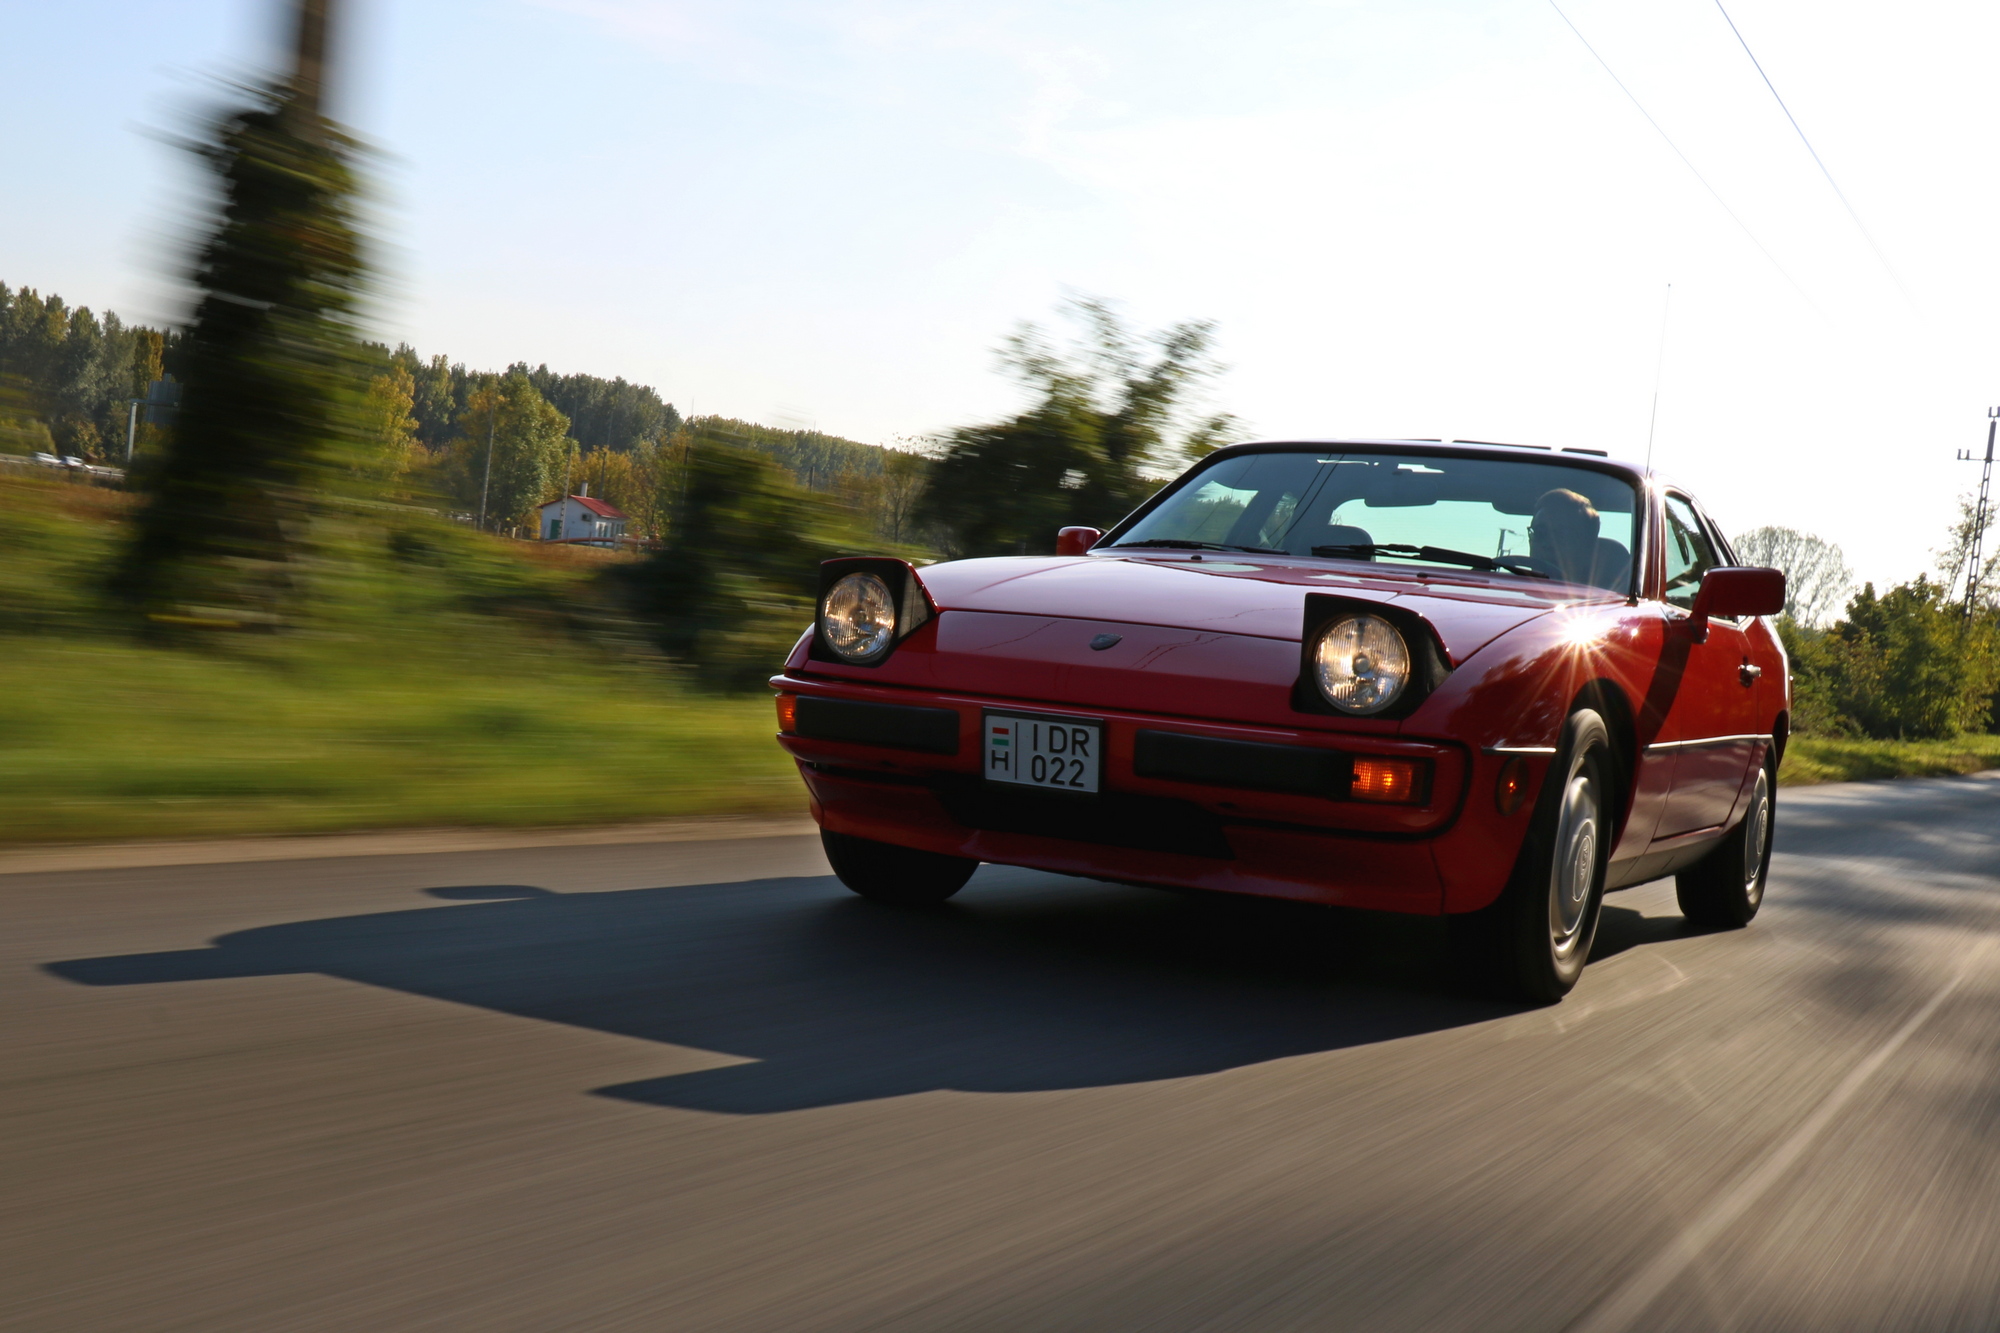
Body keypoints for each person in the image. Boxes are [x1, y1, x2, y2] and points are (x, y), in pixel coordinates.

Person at [1529, 488, 1600, 585]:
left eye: (1562, 534)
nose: (1547, 544)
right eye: (1540, 533)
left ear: (1588, 547)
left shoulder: (1604, 597)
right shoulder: (1507, 590)